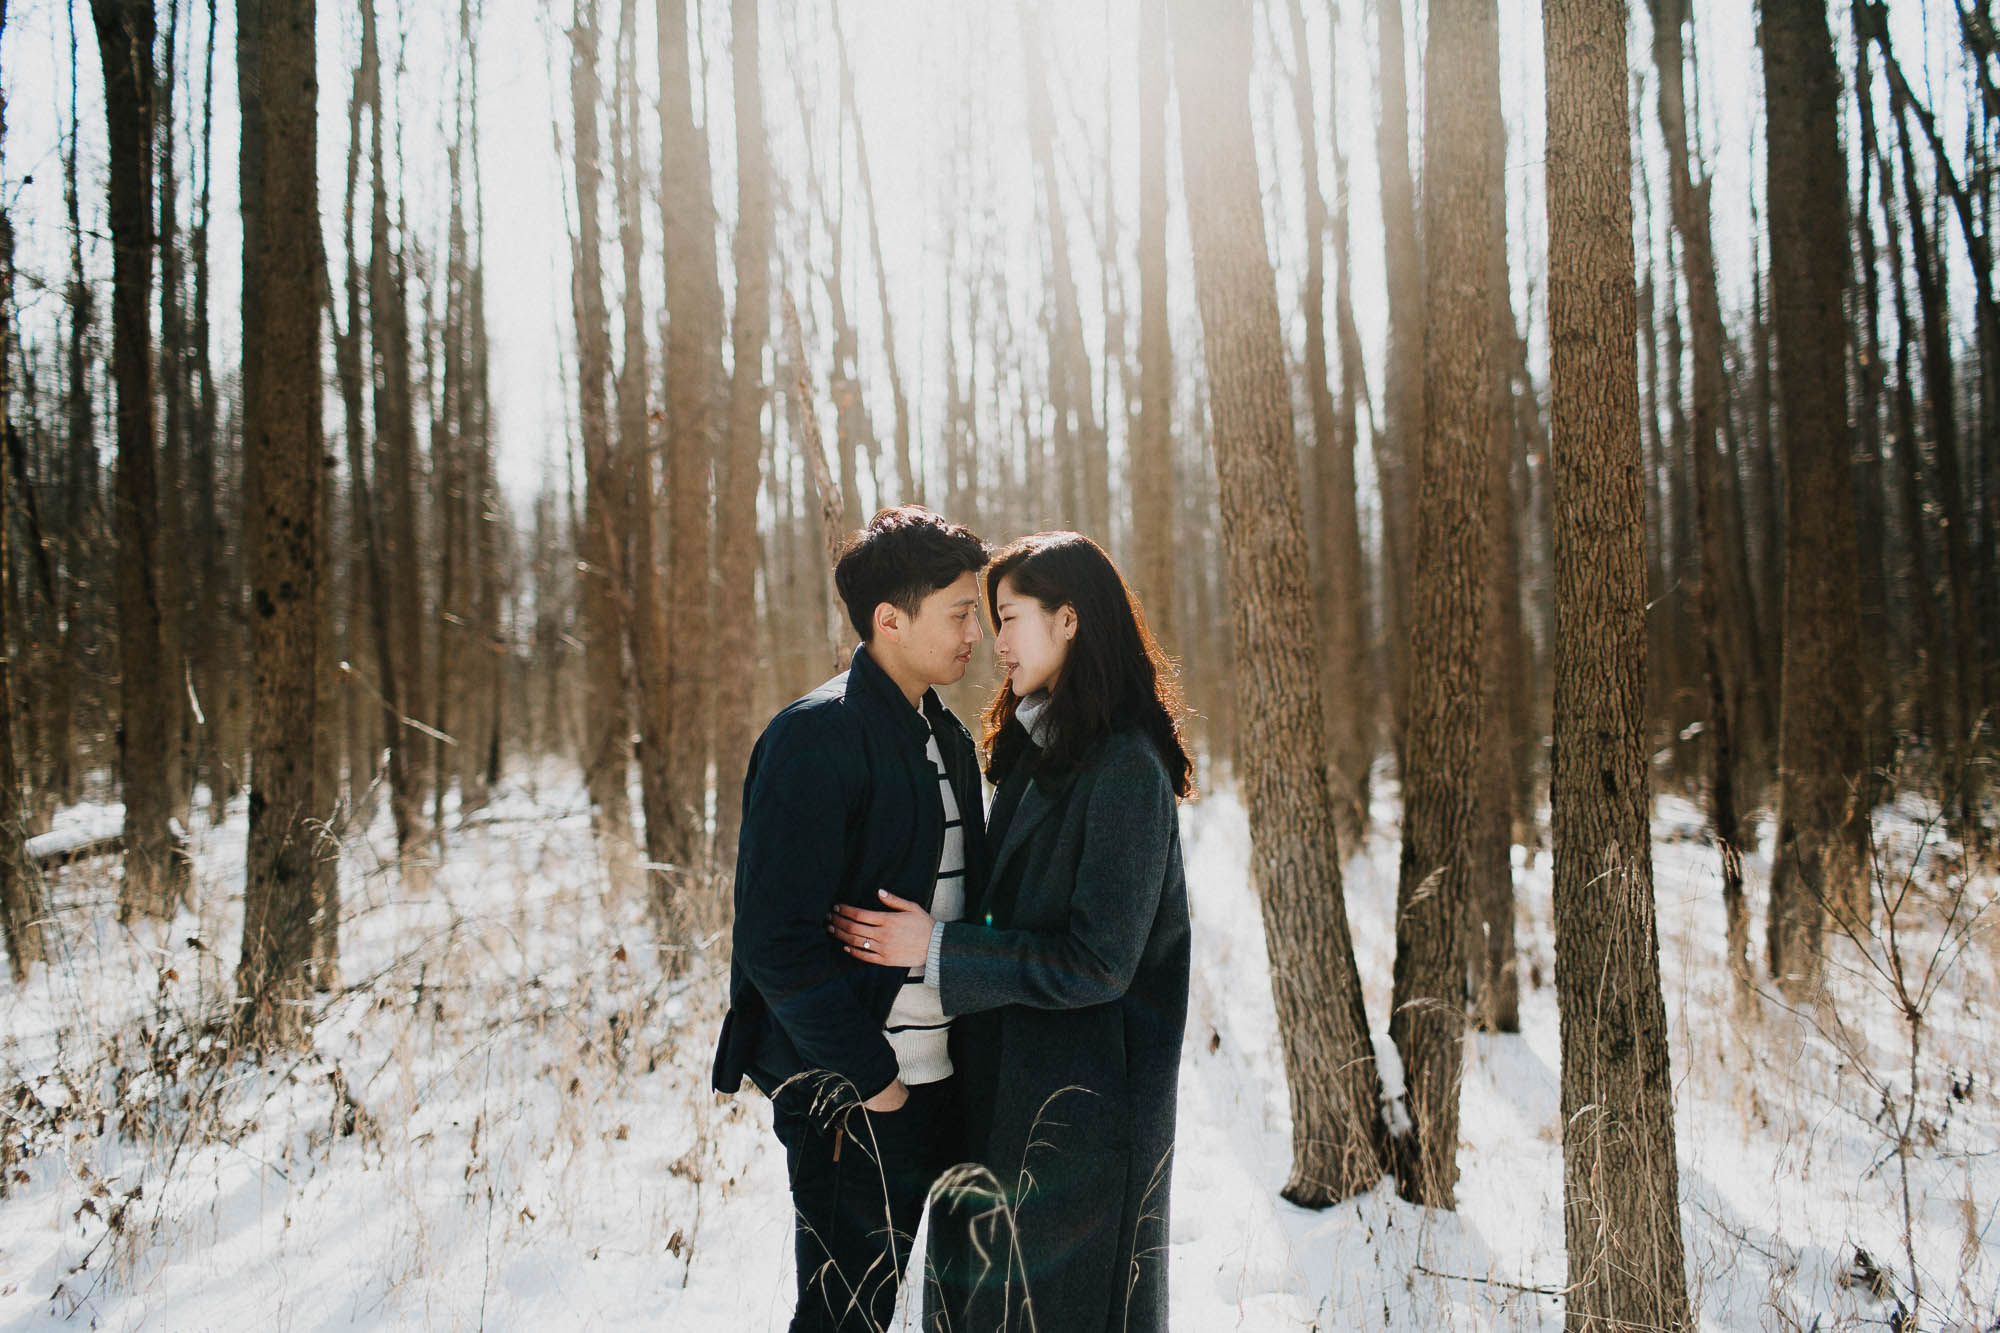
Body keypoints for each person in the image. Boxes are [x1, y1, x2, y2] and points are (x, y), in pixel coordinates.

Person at [830, 531, 1193, 1333]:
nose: (995, 640)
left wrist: (935, 949)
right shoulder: (1036, 748)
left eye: (1011, 616)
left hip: (1083, 1124)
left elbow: (1100, 964)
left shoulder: (1127, 768)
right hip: (1003, 1099)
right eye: (989, 618)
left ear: (1070, 620)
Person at [712, 505, 990, 1333]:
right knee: (845, 1319)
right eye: (960, 612)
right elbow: (777, 943)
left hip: (949, 1090)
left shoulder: (949, 738)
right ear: (889, 620)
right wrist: (876, 1081)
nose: (975, 630)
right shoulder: (814, 738)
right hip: (859, 1104)